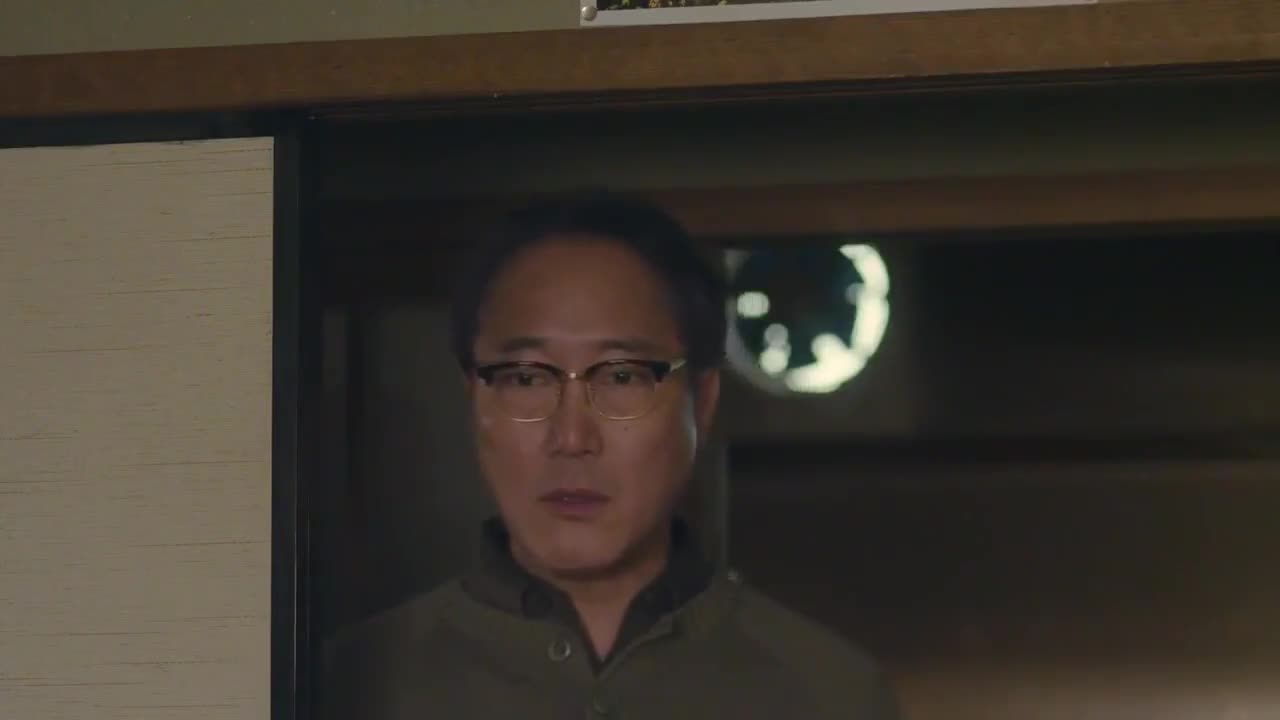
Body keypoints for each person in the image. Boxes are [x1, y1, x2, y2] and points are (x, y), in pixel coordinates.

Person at [324, 191, 901, 719]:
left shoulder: (829, 694)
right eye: (527, 378)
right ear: (474, 398)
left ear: (701, 402)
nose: (572, 437)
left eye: (622, 376)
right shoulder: (338, 686)